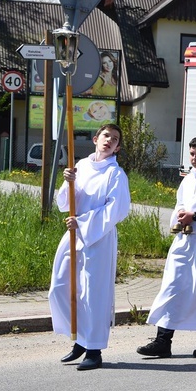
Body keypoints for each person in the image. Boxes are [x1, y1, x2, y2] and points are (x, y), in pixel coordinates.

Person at [137, 136, 196, 359]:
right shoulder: (188, 180)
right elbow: (179, 205)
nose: (195, 159)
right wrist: (179, 217)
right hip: (185, 243)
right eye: (192, 154)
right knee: (172, 287)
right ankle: (162, 340)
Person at [50, 123, 131, 371]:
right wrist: (68, 183)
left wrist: (83, 222)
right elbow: (65, 203)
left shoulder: (116, 175)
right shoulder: (82, 166)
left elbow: (116, 210)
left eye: (115, 139)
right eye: (106, 135)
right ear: (96, 138)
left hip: (98, 237)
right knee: (60, 285)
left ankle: (93, 349)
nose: (109, 140)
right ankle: (79, 338)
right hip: (74, 234)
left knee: (92, 293)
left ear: (117, 148)